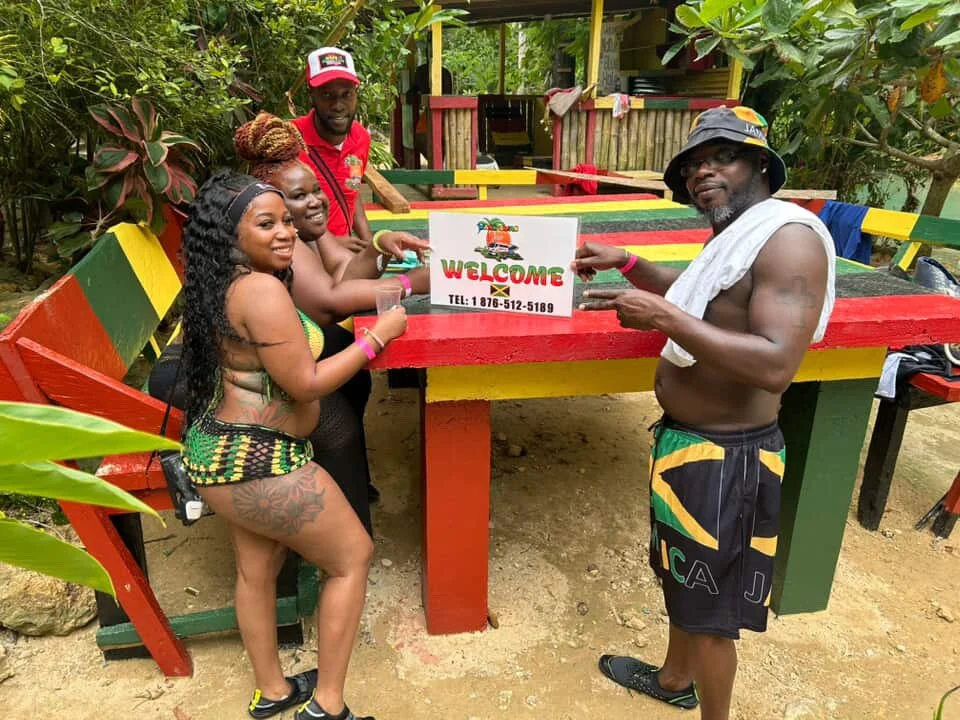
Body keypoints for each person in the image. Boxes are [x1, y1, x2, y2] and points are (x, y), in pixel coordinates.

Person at [575, 106, 837, 720]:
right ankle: (673, 679)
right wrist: (630, 264)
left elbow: (776, 363)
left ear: (761, 166)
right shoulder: (737, 233)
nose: (702, 172)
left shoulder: (790, 240)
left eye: (722, 157)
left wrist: (663, 319)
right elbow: (703, 297)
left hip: (729, 460)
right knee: (682, 575)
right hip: (689, 446)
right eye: (694, 165)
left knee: (713, 613)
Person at [179, 168, 406, 720]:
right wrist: (378, 337)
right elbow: (304, 383)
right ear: (231, 235)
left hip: (219, 454)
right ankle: (327, 707)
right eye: (267, 223)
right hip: (260, 461)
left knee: (255, 572)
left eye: (286, 221)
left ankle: (273, 692)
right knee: (352, 558)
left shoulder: (223, 283)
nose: (285, 232)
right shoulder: (260, 291)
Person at [233, 111, 429, 533]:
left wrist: (380, 248)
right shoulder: (282, 240)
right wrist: (411, 284)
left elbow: (344, 268)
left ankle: (347, 487)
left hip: (289, 348)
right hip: (251, 371)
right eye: (300, 197)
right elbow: (328, 302)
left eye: (317, 191)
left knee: (354, 378)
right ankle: (349, 530)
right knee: (334, 413)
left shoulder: (303, 227)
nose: (316, 202)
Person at [293, 47, 374, 251]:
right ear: (311, 96)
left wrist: (372, 247)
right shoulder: (289, 140)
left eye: (346, 94)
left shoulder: (361, 138)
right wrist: (329, 244)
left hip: (345, 259)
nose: (338, 105)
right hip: (304, 260)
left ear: (356, 94)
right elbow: (274, 214)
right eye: (327, 94)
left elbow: (351, 193)